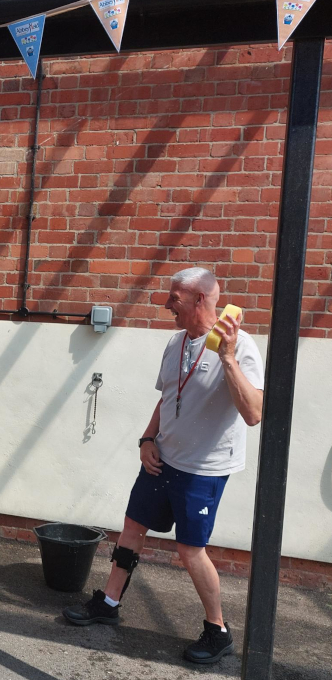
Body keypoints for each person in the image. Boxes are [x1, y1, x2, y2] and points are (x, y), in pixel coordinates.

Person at [64, 267, 263, 666]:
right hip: (162, 459)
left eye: (175, 298)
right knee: (133, 528)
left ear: (200, 301)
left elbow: (254, 413)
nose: (166, 304)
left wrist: (226, 359)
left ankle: (218, 631)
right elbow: (167, 397)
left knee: (191, 551)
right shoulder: (175, 342)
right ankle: (109, 601)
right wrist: (146, 440)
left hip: (202, 469)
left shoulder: (239, 348)